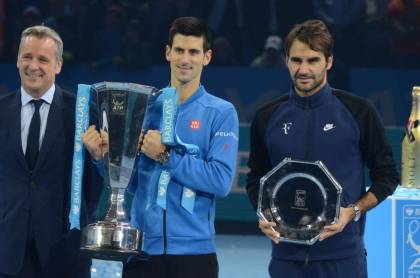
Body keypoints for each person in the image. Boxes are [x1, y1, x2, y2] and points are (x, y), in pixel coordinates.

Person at [82, 16, 239, 278]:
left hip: (195, 256)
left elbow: (221, 181)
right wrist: (103, 160)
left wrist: (165, 156)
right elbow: (132, 183)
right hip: (142, 251)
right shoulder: (144, 108)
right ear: (168, 53)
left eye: (193, 52)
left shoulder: (221, 112)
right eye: (179, 50)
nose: (185, 59)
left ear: (207, 57)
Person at [246, 19, 399, 278]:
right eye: (296, 60)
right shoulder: (266, 117)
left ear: (328, 62)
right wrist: (263, 214)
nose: (303, 69)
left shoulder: (359, 112)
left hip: (343, 259)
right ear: (286, 60)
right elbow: (255, 179)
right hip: (285, 260)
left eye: (312, 60)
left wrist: (353, 212)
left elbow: (388, 177)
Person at [0, 26, 101, 278]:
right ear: (17, 60)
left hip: (65, 250)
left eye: (42, 59)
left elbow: (95, 182)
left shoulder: (82, 112)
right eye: (27, 57)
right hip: (8, 251)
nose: (33, 65)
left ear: (58, 66)